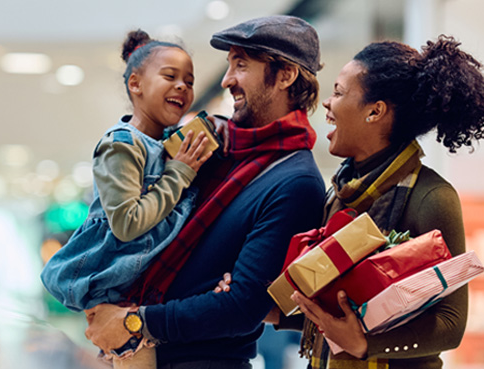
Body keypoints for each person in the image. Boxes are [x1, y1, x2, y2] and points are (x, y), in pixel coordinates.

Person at [217, 35, 484, 369]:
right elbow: (339, 314)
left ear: (375, 111)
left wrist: (368, 345)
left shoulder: (432, 196)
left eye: (338, 91)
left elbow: (450, 324)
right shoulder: (339, 191)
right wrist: (271, 311)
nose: (327, 102)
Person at [84, 15, 326, 369]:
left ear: (286, 76)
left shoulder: (296, 180)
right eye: (230, 65)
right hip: (138, 355)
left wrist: (134, 322)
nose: (228, 79)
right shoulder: (217, 150)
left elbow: (241, 307)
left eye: (241, 65)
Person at [41, 29, 213, 368]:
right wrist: (178, 174)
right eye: (170, 76)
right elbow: (126, 223)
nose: (183, 86)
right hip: (116, 296)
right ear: (136, 84)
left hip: (144, 293)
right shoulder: (121, 144)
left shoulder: (168, 147)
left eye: (189, 81)